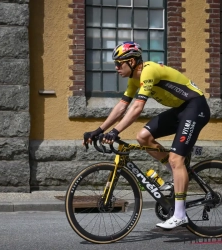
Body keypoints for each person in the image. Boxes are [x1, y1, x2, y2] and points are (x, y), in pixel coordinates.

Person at [83, 41, 211, 229]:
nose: (116, 67)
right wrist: (99, 130)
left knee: (177, 159)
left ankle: (180, 214)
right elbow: (122, 106)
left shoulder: (148, 71)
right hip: (180, 109)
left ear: (133, 61)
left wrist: (116, 131)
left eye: (119, 63)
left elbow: (136, 107)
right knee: (143, 137)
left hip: (196, 107)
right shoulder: (134, 80)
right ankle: (175, 175)